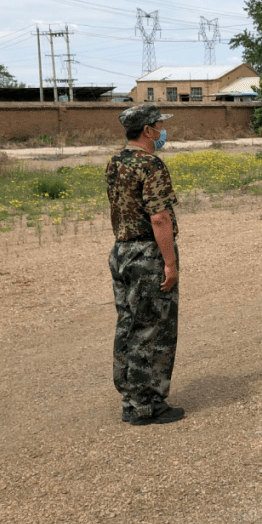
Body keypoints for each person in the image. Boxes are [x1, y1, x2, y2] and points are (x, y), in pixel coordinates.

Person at [105, 105, 183, 426]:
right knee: (152, 327)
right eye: (159, 125)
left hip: (121, 252)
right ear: (148, 131)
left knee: (129, 323)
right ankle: (145, 404)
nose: (163, 130)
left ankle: (129, 395)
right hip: (147, 255)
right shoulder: (151, 164)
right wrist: (170, 263)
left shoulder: (114, 163)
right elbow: (159, 217)